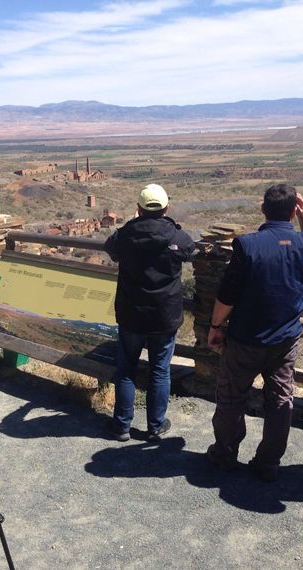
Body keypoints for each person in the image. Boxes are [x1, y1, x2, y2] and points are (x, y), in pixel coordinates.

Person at [206, 184, 303, 481]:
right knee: (280, 400)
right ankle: (268, 461)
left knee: (232, 397)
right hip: (285, 339)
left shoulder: (248, 245)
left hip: (246, 337)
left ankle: (225, 452)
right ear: (294, 210)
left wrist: (216, 326)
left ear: (263, 209)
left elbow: (228, 294)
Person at [103, 183, 195, 442]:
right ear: (166, 208)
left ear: (139, 209)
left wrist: (132, 223)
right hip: (164, 315)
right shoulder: (175, 236)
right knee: (159, 370)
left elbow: (110, 248)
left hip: (131, 313)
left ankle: (121, 425)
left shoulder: (126, 234)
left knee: (126, 369)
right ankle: (155, 426)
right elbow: (190, 250)